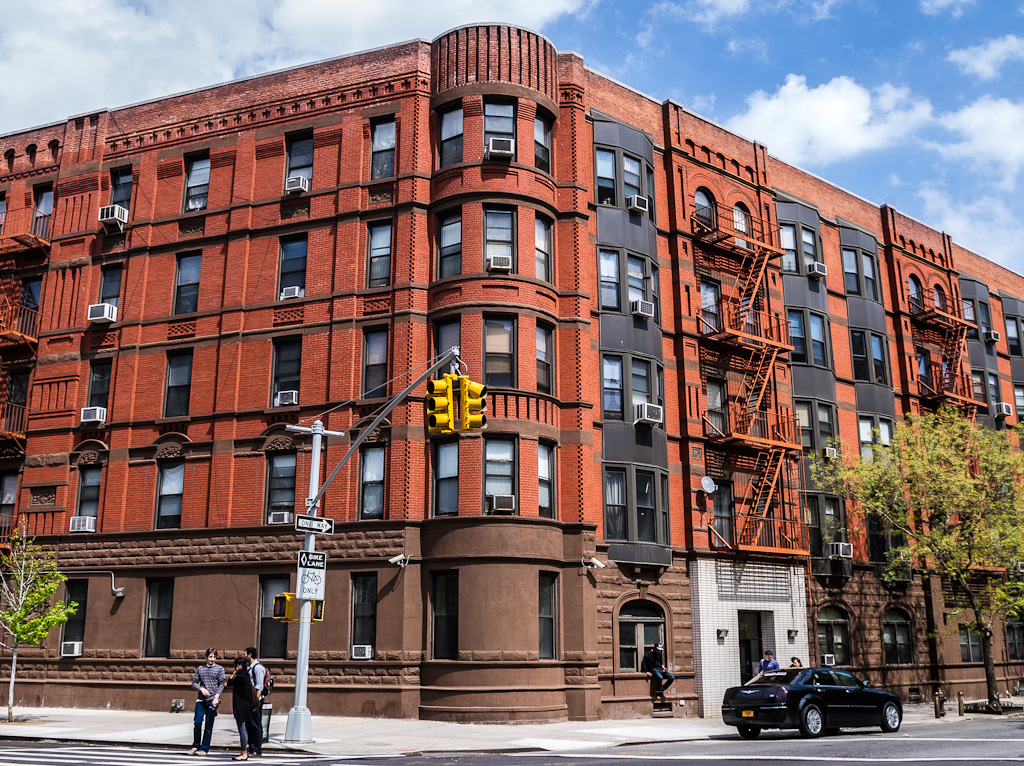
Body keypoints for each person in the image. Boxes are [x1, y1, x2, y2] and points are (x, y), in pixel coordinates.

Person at [188, 648, 225, 756]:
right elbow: (194, 683)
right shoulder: (200, 669)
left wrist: (216, 698)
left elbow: (221, 684)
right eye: (210, 657)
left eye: (214, 657)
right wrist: (201, 689)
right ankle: (195, 746)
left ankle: (204, 749)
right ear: (206, 657)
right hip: (201, 700)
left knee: (209, 725)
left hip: (212, 700)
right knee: (197, 722)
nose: (212, 659)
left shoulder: (219, 669)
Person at [228, 657, 259, 761]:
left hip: (241, 707)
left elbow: (229, 682)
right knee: (245, 729)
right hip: (247, 706)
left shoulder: (240, 677)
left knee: (242, 730)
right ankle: (244, 751)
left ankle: (244, 753)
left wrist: (235, 672)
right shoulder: (247, 676)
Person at [244, 647, 267, 756]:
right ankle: (252, 747)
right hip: (249, 700)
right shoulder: (249, 667)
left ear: (249, 655)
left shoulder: (258, 668)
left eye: (245, 654)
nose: (243, 656)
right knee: (249, 724)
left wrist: (255, 701)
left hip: (256, 701)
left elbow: (259, 687)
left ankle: (257, 749)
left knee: (256, 724)